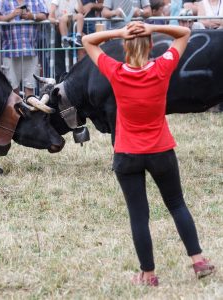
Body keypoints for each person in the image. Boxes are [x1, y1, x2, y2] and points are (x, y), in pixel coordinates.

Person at [82, 22, 215, 286]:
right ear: (152, 45)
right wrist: (151, 26)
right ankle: (198, 260)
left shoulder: (116, 70)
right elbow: (185, 33)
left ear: (124, 48)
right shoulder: (163, 67)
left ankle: (148, 275)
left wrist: (120, 32)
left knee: (139, 215)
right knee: (177, 204)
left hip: (127, 154)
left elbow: (88, 41)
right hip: (161, 150)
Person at [0, 0, 48, 97]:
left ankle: (29, 111)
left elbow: (44, 15)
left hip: (31, 49)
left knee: (30, 88)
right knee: (13, 90)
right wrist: (12, 15)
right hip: (10, 51)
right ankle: (17, 112)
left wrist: (32, 16)